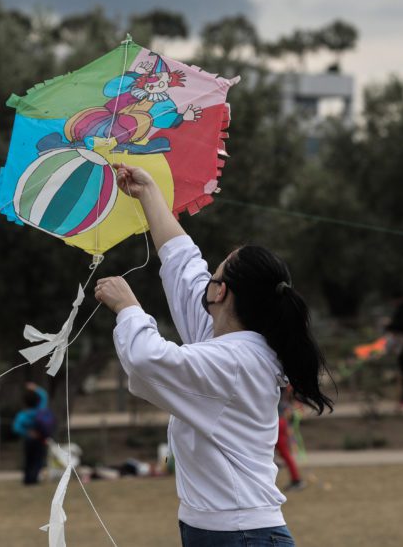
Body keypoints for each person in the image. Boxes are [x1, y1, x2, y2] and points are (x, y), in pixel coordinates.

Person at [94, 163, 333, 547]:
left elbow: (146, 360)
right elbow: (183, 266)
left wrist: (128, 309)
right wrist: (149, 193)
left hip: (242, 535)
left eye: (215, 276)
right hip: (225, 531)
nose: (206, 281)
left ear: (221, 293)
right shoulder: (226, 341)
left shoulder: (236, 362)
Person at [12, 383, 53, 485]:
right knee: (38, 460)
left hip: (28, 440)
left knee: (28, 459)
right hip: (40, 439)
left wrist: (26, 433)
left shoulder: (23, 414)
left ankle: (27, 479)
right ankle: (34, 478)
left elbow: (16, 428)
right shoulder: (40, 411)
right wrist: (36, 388)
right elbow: (44, 396)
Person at [274, 386, 305, 492]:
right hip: (279, 422)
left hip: (279, 423)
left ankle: (296, 480)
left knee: (285, 453)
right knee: (283, 453)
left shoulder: (279, 390)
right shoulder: (282, 391)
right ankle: (296, 479)